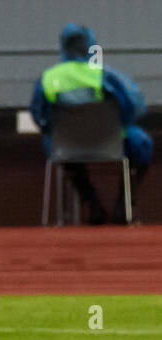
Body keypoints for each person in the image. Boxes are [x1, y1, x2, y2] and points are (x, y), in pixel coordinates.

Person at [30, 23, 152, 223]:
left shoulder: (47, 78)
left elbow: (39, 116)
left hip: (64, 147)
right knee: (141, 143)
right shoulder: (105, 76)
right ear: (90, 45)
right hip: (111, 143)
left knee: (52, 143)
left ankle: (92, 203)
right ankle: (124, 205)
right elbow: (132, 107)